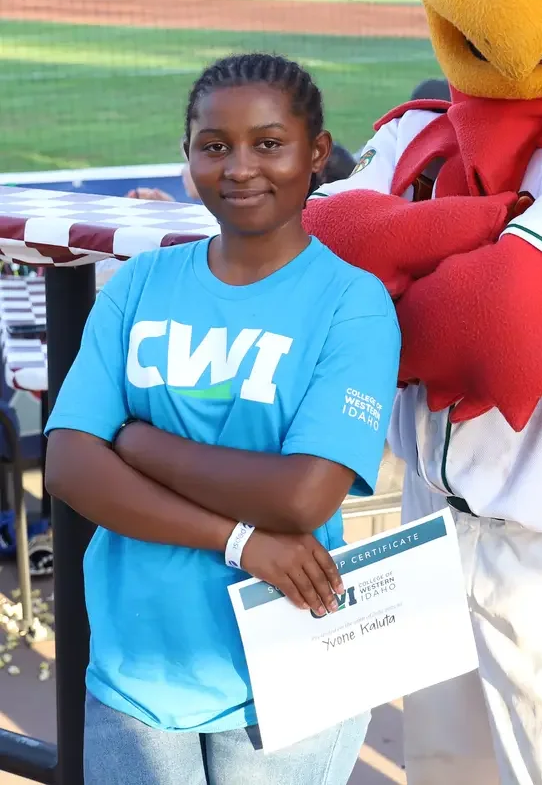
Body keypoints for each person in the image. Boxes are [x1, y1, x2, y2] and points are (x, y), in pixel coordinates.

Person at [44, 53, 401, 785]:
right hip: (134, 668)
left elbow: (303, 496)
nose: (240, 167)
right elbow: (70, 466)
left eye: (269, 143)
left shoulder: (352, 303)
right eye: (215, 146)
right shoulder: (141, 283)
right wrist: (240, 540)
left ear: (316, 153)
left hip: (288, 666)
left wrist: (137, 443)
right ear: (188, 157)